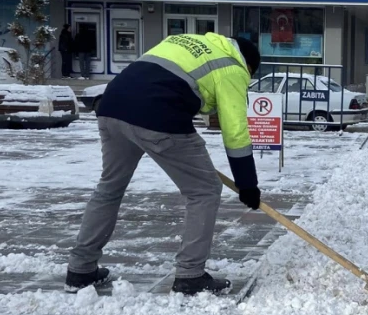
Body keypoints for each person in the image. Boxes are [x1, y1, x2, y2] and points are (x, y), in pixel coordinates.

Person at [65, 32, 263, 296]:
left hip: (111, 106)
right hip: (158, 116)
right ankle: (190, 276)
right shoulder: (232, 68)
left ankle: (80, 269)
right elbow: (235, 131)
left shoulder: (186, 41)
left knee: (109, 187)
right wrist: (248, 184)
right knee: (204, 191)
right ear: (248, 65)